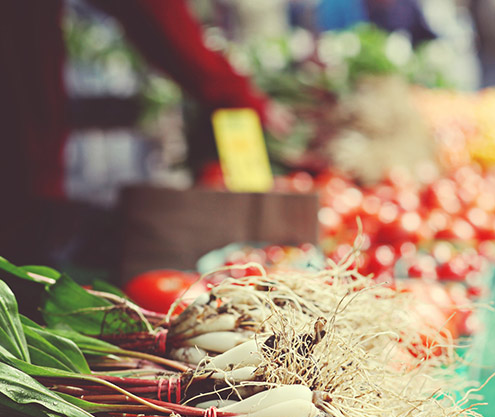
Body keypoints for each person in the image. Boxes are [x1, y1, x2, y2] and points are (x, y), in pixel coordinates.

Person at [0, 0, 290, 268]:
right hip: (17, 150)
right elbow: (155, 12)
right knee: (19, 267)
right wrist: (234, 91)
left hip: (21, 142)